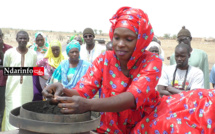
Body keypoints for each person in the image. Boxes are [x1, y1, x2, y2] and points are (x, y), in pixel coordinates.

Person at [42, 7, 215, 134]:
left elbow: (132, 98)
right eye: (116, 37)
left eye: (129, 39)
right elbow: (83, 91)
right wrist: (62, 90)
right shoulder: (104, 60)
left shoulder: (152, 62)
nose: (120, 44)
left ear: (141, 40)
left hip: (148, 119)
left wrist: (87, 105)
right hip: (111, 124)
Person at [2, 31, 37, 131]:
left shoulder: (33, 54)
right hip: (12, 90)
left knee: (24, 111)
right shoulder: (9, 53)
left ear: (28, 40)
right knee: (12, 111)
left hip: (27, 89)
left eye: (25, 38)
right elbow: (6, 69)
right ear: (16, 39)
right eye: (20, 38)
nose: (22, 40)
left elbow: (33, 70)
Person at [30, 32, 50, 101]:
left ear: (44, 39)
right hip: (36, 75)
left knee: (47, 93)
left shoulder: (49, 49)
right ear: (35, 41)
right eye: (38, 40)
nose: (40, 42)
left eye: (41, 40)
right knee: (36, 93)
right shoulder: (32, 50)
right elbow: (31, 65)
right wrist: (42, 75)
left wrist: (47, 76)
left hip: (48, 75)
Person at [0, 29, 12, 130]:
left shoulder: (9, 50)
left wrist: (1, 52)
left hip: (4, 84)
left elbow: (11, 69)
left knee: (2, 110)